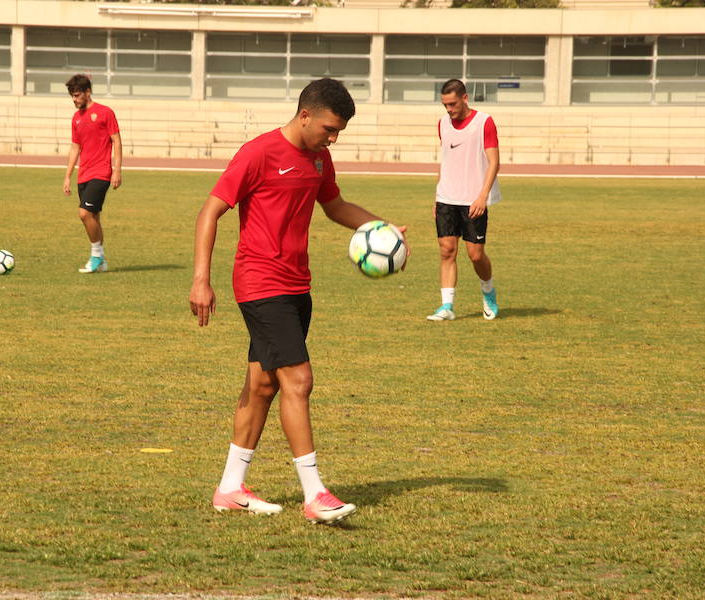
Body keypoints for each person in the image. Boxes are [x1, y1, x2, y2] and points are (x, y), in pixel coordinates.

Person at [189, 78, 407, 525]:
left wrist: (381, 228)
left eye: (339, 132)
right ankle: (314, 494)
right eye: (329, 129)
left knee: (263, 385)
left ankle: (230, 488)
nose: (333, 138)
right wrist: (200, 280)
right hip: (260, 283)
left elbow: (335, 206)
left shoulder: (319, 158)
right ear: (305, 115)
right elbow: (210, 211)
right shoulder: (258, 153)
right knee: (299, 380)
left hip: (296, 287)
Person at [427, 78, 501, 322]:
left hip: (473, 199)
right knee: (447, 250)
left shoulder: (484, 122)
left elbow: (494, 162)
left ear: (465, 98)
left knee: (475, 254)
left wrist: (483, 196)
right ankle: (446, 306)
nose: (449, 109)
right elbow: (446, 160)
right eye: (445, 105)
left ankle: (488, 291)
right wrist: (437, 196)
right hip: (446, 198)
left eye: (453, 104)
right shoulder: (443, 124)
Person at [62, 74, 122, 274]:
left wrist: (117, 170)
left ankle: (95, 255)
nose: (74, 99)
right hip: (84, 174)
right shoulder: (76, 119)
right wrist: (68, 176)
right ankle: (101, 261)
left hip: (101, 172)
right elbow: (75, 147)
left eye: (77, 95)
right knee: (93, 217)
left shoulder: (105, 112)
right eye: (72, 96)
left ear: (88, 92)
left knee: (84, 213)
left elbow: (116, 141)